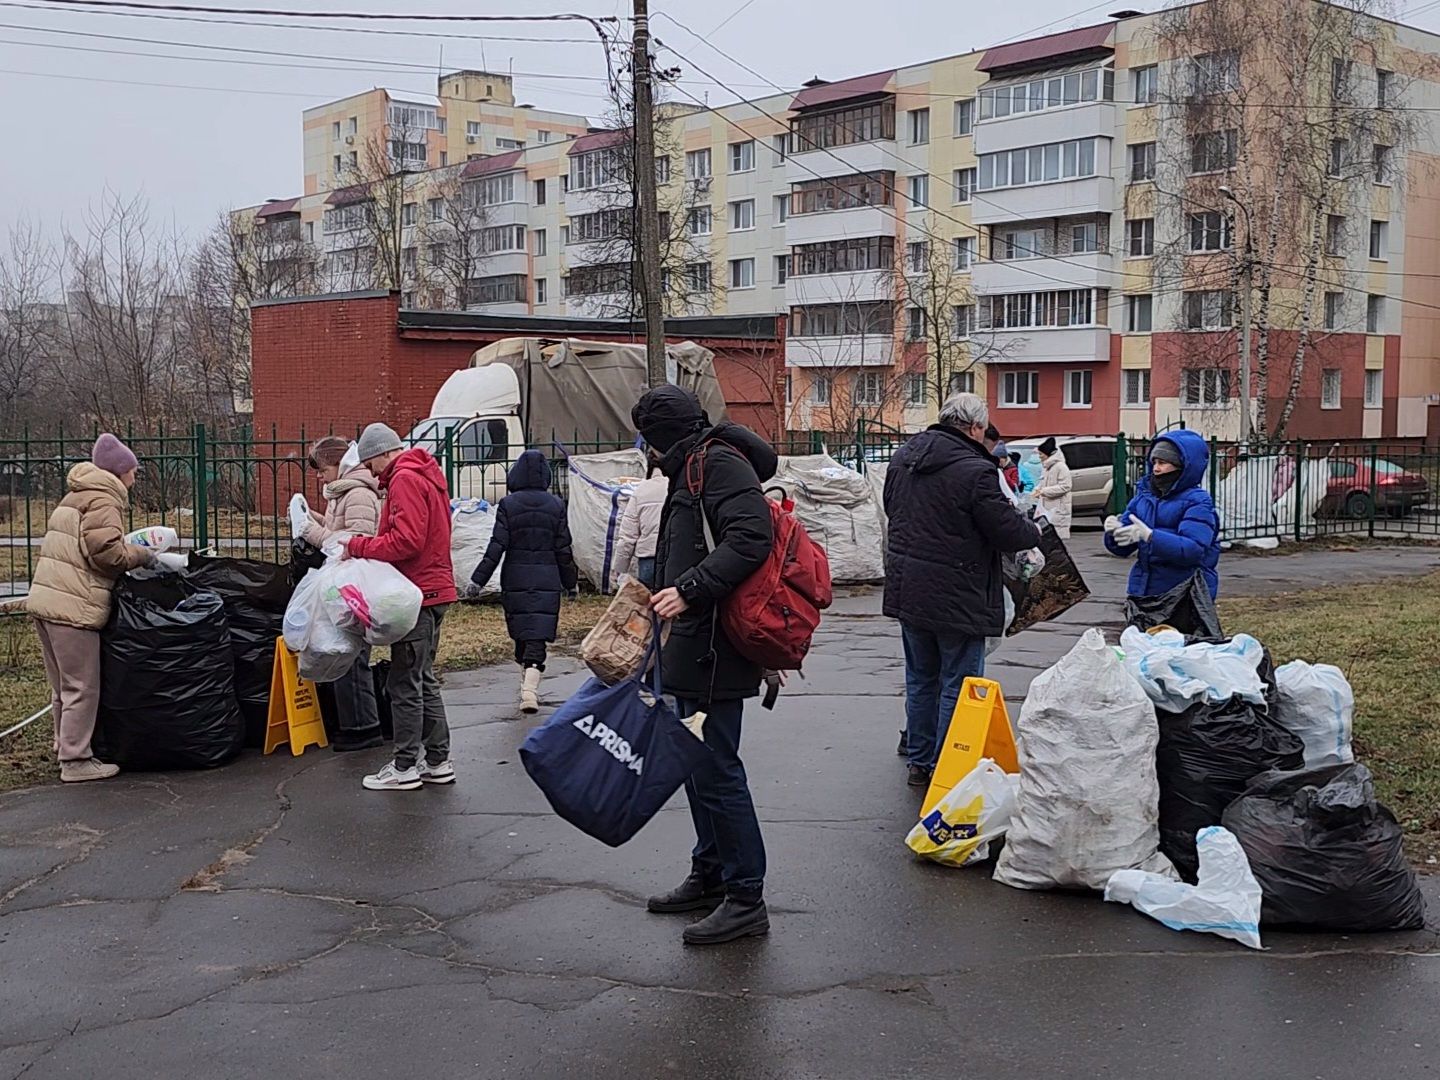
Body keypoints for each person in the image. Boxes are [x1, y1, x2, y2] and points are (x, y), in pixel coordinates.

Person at [632, 385, 775, 946]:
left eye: (646, 438)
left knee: (717, 771)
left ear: (659, 436)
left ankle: (746, 897)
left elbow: (751, 537)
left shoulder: (717, 464)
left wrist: (689, 590)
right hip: (691, 642)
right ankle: (711, 873)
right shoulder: (689, 465)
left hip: (717, 644)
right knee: (696, 766)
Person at [883, 393, 1041, 787]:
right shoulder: (975, 470)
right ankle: (948, 764)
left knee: (921, 678)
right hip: (960, 591)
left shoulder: (905, 458)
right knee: (959, 682)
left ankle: (920, 761)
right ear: (974, 428)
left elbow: (891, 507)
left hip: (909, 587)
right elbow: (1005, 530)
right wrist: (1034, 528)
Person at [26, 434, 157, 782]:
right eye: (133, 471)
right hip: (73, 607)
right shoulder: (104, 500)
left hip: (48, 602)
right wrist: (143, 555)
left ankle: (63, 745)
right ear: (120, 471)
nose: (135, 476)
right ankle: (76, 760)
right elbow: (107, 554)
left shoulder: (77, 495)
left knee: (63, 687)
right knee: (82, 687)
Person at [342, 423, 458, 792]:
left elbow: (406, 541)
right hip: (434, 589)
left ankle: (405, 765)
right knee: (422, 677)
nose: (372, 473)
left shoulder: (405, 479)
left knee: (404, 681)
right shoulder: (426, 474)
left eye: (369, 463)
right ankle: (437, 760)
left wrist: (360, 546)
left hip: (417, 594)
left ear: (381, 453)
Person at [462, 449, 578, 714]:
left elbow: (496, 546)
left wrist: (477, 581)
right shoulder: (556, 505)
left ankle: (526, 685)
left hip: (515, 577)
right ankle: (530, 684)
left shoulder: (508, 504)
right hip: (547, 578)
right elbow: (564, 549)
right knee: (538, 633)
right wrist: (570, 582)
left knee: (522, 631)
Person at [302, 436, 384, 751]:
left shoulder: (358, 492)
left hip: (354, 582)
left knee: (352, 652)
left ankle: (364, 726)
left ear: (339, 464)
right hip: (344, 580)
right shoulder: (342, 491)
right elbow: (341, 529)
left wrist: (313, 532)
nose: (320, 476)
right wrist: (315, 518)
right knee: (342, 649)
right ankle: (353, 723)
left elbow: (354, 540)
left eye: (322, 469)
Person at [1105, 429, 1221, 600]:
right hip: (1143, 592)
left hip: (1184, 595)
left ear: (1182, 466)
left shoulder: (1198, 502)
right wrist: (1114, 532)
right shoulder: (1144, 496)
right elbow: (1121, 549)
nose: (1156, 469)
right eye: (1154, 462)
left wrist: (1152, 537)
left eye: (1163, 463)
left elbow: (1193, 550)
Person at [611, 464, 668, 590]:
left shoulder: (641, 491)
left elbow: (627, 536)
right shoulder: (678, 487)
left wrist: (620, 569)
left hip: (648, 558)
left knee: (649, 603)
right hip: (674, 557)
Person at [1035, 437, 1074, 539]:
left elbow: (1066, 486)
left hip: (1058, 508)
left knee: (1056, 539)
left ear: (1048, 454)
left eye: (1041, 454)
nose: (1039, 457)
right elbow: (1043, 483)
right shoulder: (1047, 467)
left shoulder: (1060, 467)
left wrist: (1043, 491)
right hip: (1047, 508)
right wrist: (1037, 490)